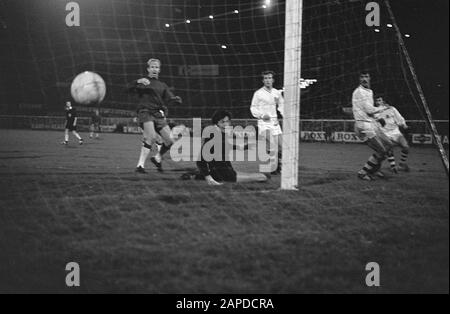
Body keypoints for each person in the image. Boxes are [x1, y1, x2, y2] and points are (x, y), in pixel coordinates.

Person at [127, 58, 182, 173]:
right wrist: (137, 82)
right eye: (152, 67)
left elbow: (169, 99)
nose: (154, 69)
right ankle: (140, 166)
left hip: (158, 114)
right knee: (150, 137)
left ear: (159, 70)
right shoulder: (143, 82)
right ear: (148, 69)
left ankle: (157, 158)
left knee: (171, 141)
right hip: (145, 112)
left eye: (156, 67)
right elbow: (127, 89)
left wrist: (175, 100)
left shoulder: (163, 85)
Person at [194, 110, 269, 185]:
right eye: (222, 122)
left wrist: (242, 146)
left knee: (260, 175)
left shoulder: (221, 133)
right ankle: (203, 176)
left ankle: (200, 176)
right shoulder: (213, 135)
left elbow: (224, 146)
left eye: (227, 121)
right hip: (223, 175)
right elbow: (200, 160)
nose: (226, 124)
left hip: (227, 171)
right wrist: (208, 178)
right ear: (216, 122)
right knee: (262, 177)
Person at [352, 71, 392, 181]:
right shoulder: (359, 92)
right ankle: (363, 172)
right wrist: (384, 108)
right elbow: (369, 110)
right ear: (359, 79)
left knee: (388, 145)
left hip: (371, 123)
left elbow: (369, 111)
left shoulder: (369, 91)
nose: (364, 79)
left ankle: (374, 169)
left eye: (366, 76)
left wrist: (378, 118)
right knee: (382, 151)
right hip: (363, 126)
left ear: (370, 78)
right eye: (362, 76)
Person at [250, 71, 284, 174]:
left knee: (282, 146)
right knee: (272, 145)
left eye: (269, 78)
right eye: (265, 78)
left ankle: (278, 167)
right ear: (263, 80)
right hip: (264, 123)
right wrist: (261, 115)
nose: (268, 80)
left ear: (273, 80)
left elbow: (281, 105)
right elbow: (253, 108)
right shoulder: (258, 93)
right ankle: (272, 168)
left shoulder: (276, 92)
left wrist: (284, 116)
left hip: (275, 123)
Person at [374, 94, 410, 172]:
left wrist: (404, 124)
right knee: (389, 150)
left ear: (383, 101)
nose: (378, 102)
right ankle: (393, 167)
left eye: (379, 100)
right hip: (385, 134)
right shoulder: (375, 111)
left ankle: (401, 165)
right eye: (376, 100)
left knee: (406, 147)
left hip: (396, 132)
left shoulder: (392, 109)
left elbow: (399, 118)